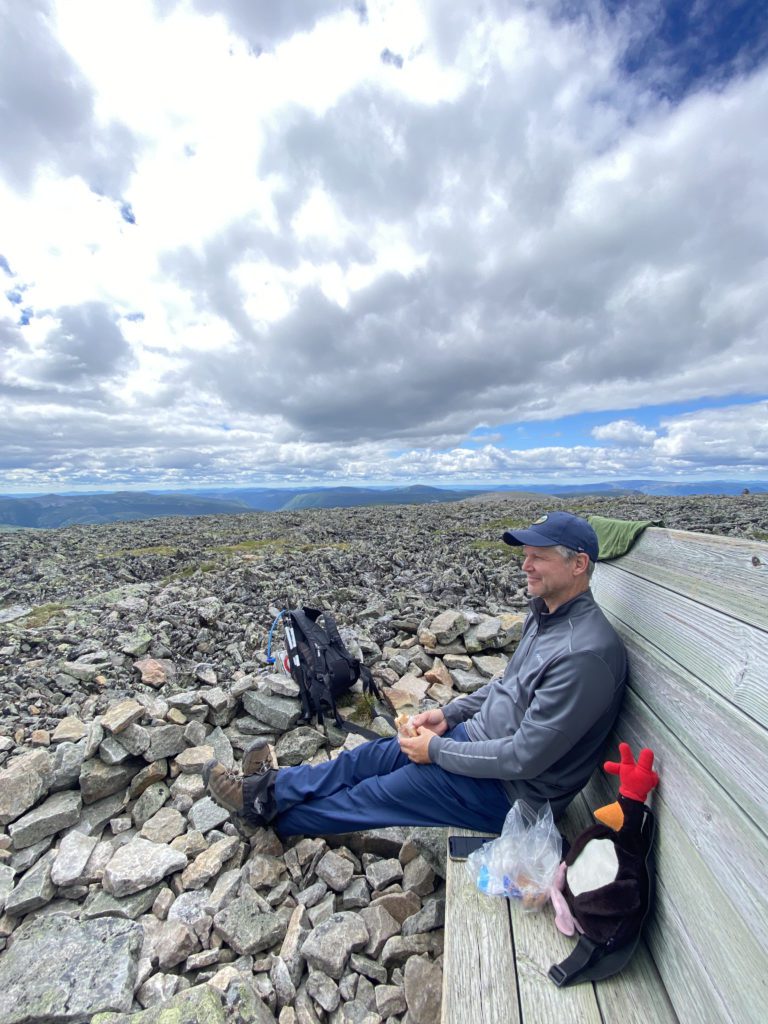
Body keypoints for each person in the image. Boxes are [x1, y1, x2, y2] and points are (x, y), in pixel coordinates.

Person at [204, 511, 627, 837]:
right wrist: (451, 716)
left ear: (579, 564)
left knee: (375, 794)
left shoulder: (585, 655)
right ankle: (263, 791)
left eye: (539, 557)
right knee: (367, 757)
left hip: (509, 793)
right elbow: (508, 687)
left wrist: (437, 752)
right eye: (525, 556)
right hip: (476, 746)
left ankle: (268, 818)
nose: (525, 566)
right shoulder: (549, 616)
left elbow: (525, 757)